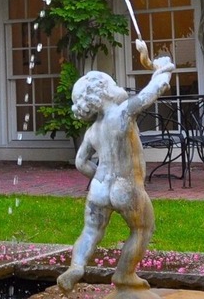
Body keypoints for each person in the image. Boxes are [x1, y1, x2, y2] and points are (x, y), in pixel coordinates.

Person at [56, 40, 175, 296]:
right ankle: (125, 275)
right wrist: (163, 68)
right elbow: (150, 93)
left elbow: (81, 162)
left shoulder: (93, 130)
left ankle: (76, 266)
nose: (116, 85)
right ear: (104, 92)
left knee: (90, 230)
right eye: (111, 83)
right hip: (125, 186)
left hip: (99, 188)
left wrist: (99, 176)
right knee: (142, 228)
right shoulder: (122, 113)